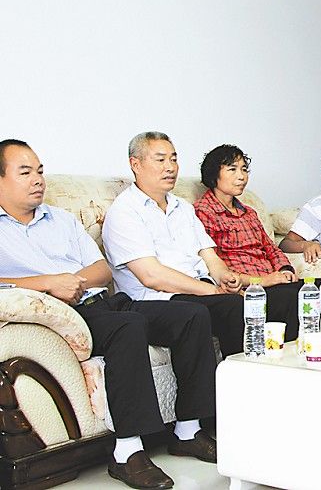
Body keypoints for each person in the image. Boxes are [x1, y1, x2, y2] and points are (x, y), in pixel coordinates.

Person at [0, 139, 217, 489]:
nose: (38, 179)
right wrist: (48, 284)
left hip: (102, 302)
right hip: (65, 315)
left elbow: (101, 270)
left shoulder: (60, 219)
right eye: (25, 172)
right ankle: (127, 452)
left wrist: (74, 281)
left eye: (40, 171)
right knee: (128, 327)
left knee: (191, 316)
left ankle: (188, 431)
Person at [102, 132, 251, 358]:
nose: (170, 167)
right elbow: (151, 276)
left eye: (173, 159)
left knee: (257, 302)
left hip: (198, 291)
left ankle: (253, 374)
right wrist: (211, 291)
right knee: (224, 307)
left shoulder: (183, 208)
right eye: (160, 160)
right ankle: (222, 380)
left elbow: (209, 256)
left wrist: (225, 278)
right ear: (136, 164)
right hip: (157, 299)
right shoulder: (124, 211)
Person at [194, 144, 321, 340]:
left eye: (244, 169)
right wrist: (262, 281)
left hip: (273, 281)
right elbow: (213, 263)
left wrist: (285, 269)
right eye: (232, 169)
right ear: (213, 174)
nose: (241, 176)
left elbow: (270, 248)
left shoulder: (249, 213)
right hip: (248, 288)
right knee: (291, 299)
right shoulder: (203, 211)